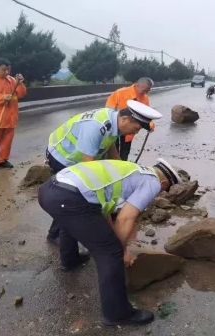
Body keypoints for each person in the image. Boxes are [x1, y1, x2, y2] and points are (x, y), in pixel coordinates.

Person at [38, 158, 184, 326]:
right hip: (68, 198)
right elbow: (124, 218)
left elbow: (102, 208)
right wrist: (121, 251)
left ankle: (70, 260)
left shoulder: (132, 171)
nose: (160, 193)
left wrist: (112, 237)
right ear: (164, 182)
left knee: (71, 221)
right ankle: (117, 314)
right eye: (165, 189)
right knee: (110, 252)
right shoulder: (153, 182)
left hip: (50, 189)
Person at [45, 100, 163, 246]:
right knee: (71, 198)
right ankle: (57, 236)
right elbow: (89, 168)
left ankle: (60, 234)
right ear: (124, 119)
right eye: (136, 128)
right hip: (63, 157)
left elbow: (109, 144)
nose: (135, 132)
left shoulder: (113, 121)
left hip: (76, 156)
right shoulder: (95, 126)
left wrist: (124, 169)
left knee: (74, 200)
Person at [105, 77, 156, 161]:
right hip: (115, 127)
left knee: (125, 151)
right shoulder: (119, 93)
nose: (146, 92)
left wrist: (150, 125)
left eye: (148, 90)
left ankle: (123, 167)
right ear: (137, 85)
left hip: (129, 130)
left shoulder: (145, 98)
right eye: (145, 90)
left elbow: (146, 116)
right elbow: (108, 112)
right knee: (113, 150)